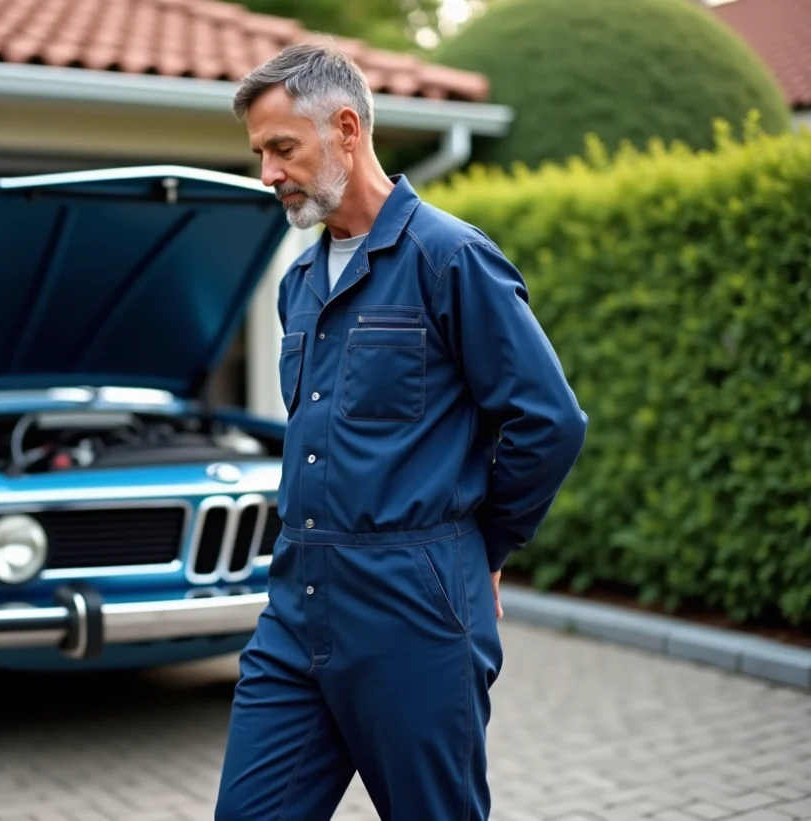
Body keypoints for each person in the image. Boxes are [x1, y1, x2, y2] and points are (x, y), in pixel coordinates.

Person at [214, 41, 588, 821]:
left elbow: (547, 420)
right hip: (297, 603)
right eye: (260, 154)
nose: (267, 174)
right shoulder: (300, 285)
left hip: (415, 611)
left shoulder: (449, 258)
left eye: (282, 148)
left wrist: (481, 546)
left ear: (347, 129)